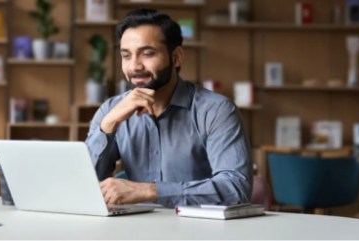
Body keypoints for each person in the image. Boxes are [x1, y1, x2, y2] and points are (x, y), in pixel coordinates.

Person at [87, 8, 251, 208]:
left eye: (147, 54)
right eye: (126, 56)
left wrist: (150, 191)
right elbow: (83, 187)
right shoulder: (111, 110)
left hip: (201, 231)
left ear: (176, 57)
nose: (134, 66)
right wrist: (108, 126)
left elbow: (236, 189)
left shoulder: (216, 110)